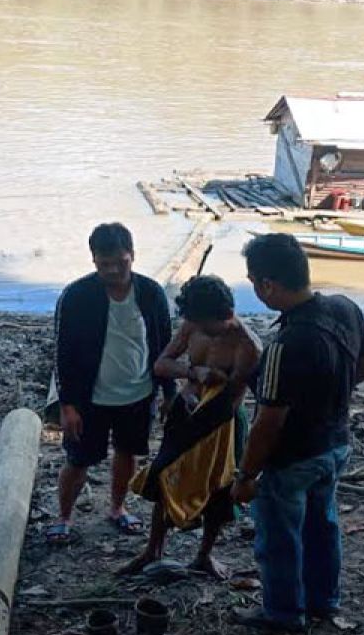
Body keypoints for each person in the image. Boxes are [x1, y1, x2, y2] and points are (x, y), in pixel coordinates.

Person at [230, 233, 364, 632]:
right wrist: (330, 394)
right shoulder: (345, 308)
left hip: (293, 457)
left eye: (253, 282)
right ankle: (323, 601)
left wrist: (246, 475)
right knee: (322, 525)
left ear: (268, 285)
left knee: (279, 537)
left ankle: (283, 613)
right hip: (335, 443)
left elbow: (268, 421)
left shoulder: (284, 344)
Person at [118, 275, 260, 579]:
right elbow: (161, 364)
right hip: (186, 410)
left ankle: (204, 554)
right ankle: (153, 549)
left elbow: (232, 399)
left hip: (222, 423)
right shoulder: (193, 325)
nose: (201, 329)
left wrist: (212, 388)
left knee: (219, 488)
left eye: (208, 325)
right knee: (163, 475)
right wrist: (193, 372)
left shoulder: (247, 346)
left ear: (225, 314)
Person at [50, 223, 175, 544]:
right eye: (104, 264)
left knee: (127, 453)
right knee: (78, 460)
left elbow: (165, 344)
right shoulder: (76, 296)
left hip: (139, 392)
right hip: (89, 397)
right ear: (93, 259)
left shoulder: (151, 293)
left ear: (132, 255)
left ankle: (118, 507)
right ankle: (64, 517)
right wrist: (67, 404)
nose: (113, 270)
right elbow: (63, 352)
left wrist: (169, 392)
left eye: (121, 262)